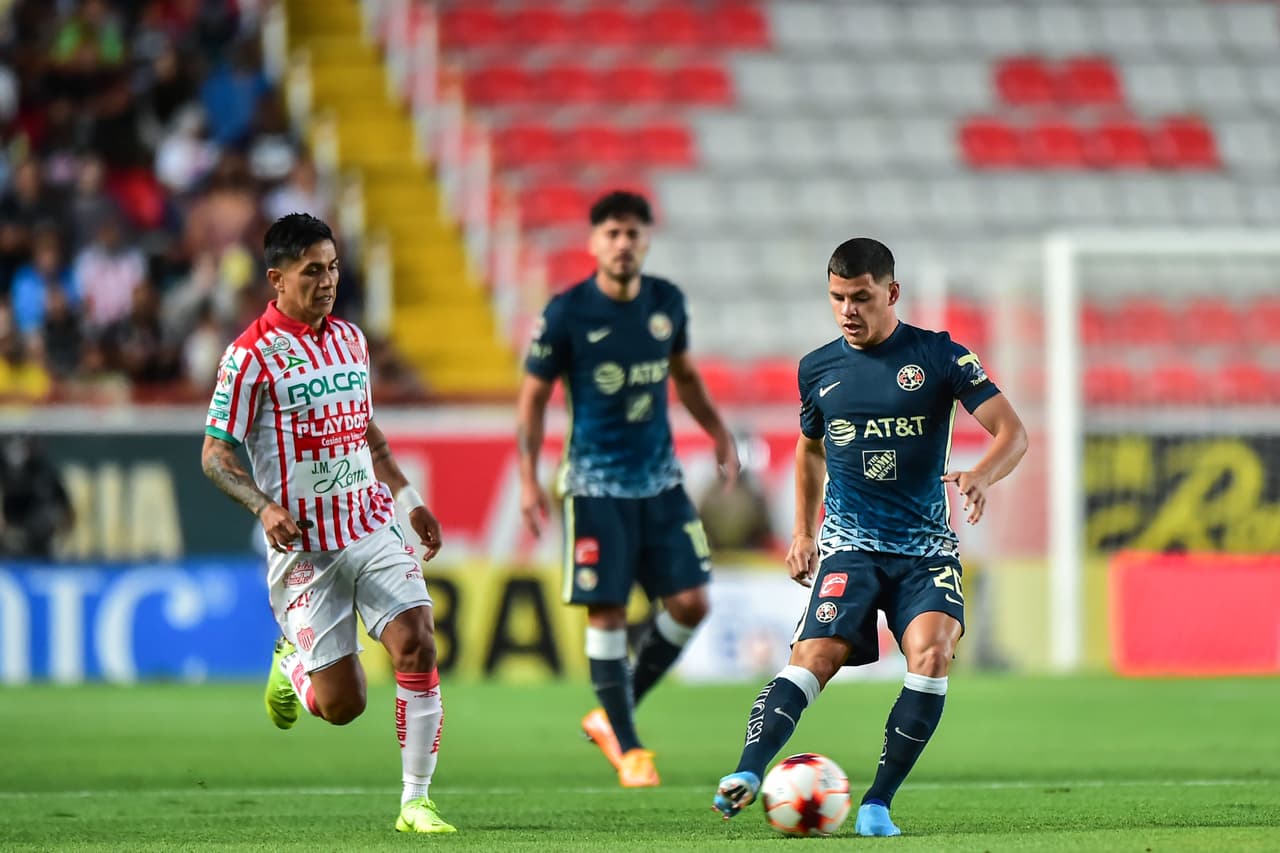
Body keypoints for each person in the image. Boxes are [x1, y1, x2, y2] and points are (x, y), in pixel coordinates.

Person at [712, 237, 1028, 836]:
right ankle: (748, 771)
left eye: (860, 297)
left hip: (926, 550)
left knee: (932, 654)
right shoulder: (817, 368)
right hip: (850, 546)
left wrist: (982, 475)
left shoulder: (940, 356)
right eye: (837, 298)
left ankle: (878, 803)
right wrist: (802, 532)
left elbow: (1012, 432)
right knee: (814, 658)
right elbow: (810, 451)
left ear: (891, 292)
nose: (847, 310)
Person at [200, 213, 455, 834]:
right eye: (313, 270)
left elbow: (365, 431)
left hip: (370, 524)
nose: (328, 281)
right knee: (343, 705)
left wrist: (409, 497)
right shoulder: (248, 357)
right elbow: (214, 455)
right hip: (306, 548)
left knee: (418, 641)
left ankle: (415, 801)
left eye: (334, 268)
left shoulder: (351, 340)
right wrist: (264, 506)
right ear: (277, 279)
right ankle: (292, 660)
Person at [516, 191, 740, 788]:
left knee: (692, 603)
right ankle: (631, 747)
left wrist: (718, 432)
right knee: (608, 609)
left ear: (646, 241)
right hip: (595, 487)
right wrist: (528, 478)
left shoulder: (667, 302)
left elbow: (684, 375)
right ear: (594, 242)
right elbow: (533, 400)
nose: (623, 244)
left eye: (633, 233)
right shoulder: (566, 313)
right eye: (612, 233)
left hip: (661, 482)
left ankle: (613, 716)